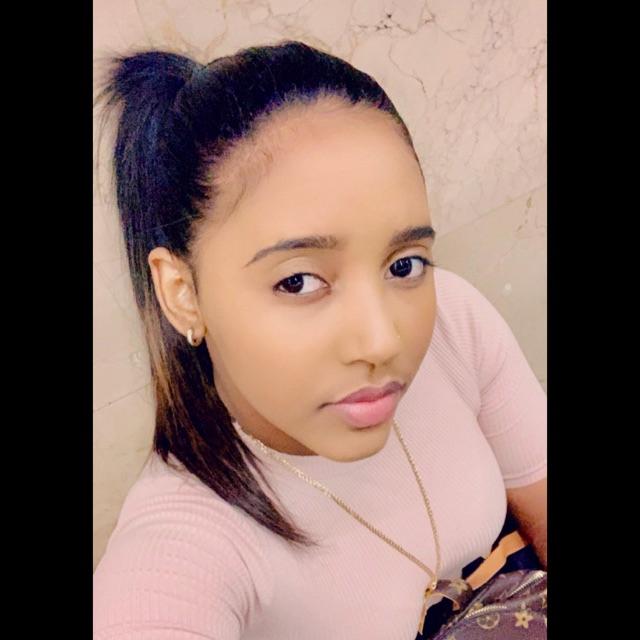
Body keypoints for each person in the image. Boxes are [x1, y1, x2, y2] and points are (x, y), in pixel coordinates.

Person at [93, 40, 547, 639]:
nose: (383, 341)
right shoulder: (185, 543)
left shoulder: (453, 321)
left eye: (404, 265)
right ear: (182, 293)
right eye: (299, 281)